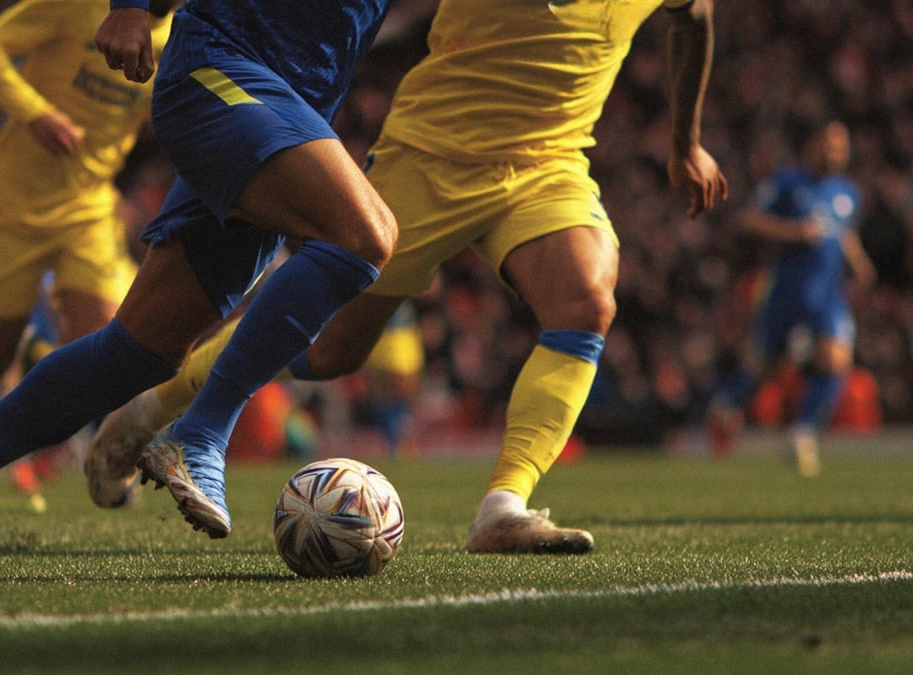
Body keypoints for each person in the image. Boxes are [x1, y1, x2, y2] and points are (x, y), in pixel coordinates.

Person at [85, 0, 728, 553]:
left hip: (549, 163)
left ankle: (502, 508)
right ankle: (153, 407)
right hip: (431, 155)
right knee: (330, 351)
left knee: (586, 301)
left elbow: (694, 17)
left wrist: (685, 141)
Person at [0, 0, 398, 571]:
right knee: (364, 236)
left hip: (285, 112)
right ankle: (200, 433)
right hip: (222, 72)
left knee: (137, 353)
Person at [0, 0, 176, 396]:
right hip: (17, 199)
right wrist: (36, 114)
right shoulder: (80, 7)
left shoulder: (180, 36)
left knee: (108, 344)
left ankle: (108, 447)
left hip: (89, 206)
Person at [707, 120, 875, 476]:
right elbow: (749, 220)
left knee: (836, 360)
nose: (836, 153)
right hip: (785, 291)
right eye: (829, 145)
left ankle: (803, 433)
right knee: (764, 367)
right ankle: (725, 406)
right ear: (812, 145)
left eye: (841, 147)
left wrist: (859, 262)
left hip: (828, 295)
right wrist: (793, 231)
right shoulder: (785, 182)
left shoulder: (847, 193)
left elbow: (843, 233)